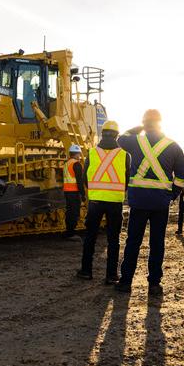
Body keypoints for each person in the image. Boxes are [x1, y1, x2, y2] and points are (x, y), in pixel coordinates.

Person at [114, 109, 184, 294]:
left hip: (139, 202)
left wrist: (137, 127)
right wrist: (173, 195)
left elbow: (120, 138)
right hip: (160, 203)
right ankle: (154, 284)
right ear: (160, 123)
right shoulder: (173, 145)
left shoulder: (135, 141)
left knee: (133, 242)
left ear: (145, 123)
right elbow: (181, 176)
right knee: (157, 243)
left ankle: (125, 282)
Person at [77, 121, 131, 283]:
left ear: (103, 133)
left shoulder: (92, 153)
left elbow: (85, 177)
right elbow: (127, 180)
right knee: (113, 239)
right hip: (115, 202)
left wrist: (95, 190)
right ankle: (111, 275)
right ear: (117, 135)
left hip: (95, 202)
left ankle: (86, 271)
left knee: (90, 237)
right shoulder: (125, 155)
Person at [62, 144, 86, 239]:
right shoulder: (76, 164)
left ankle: (68, 231)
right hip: (74, 192)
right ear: (76, 154)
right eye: (79, 154)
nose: (79, 156)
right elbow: (79, 181)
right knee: (74, 212)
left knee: (69, 211)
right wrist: (83, 194)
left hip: (67, 191)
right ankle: (71, 234)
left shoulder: (66, 163)